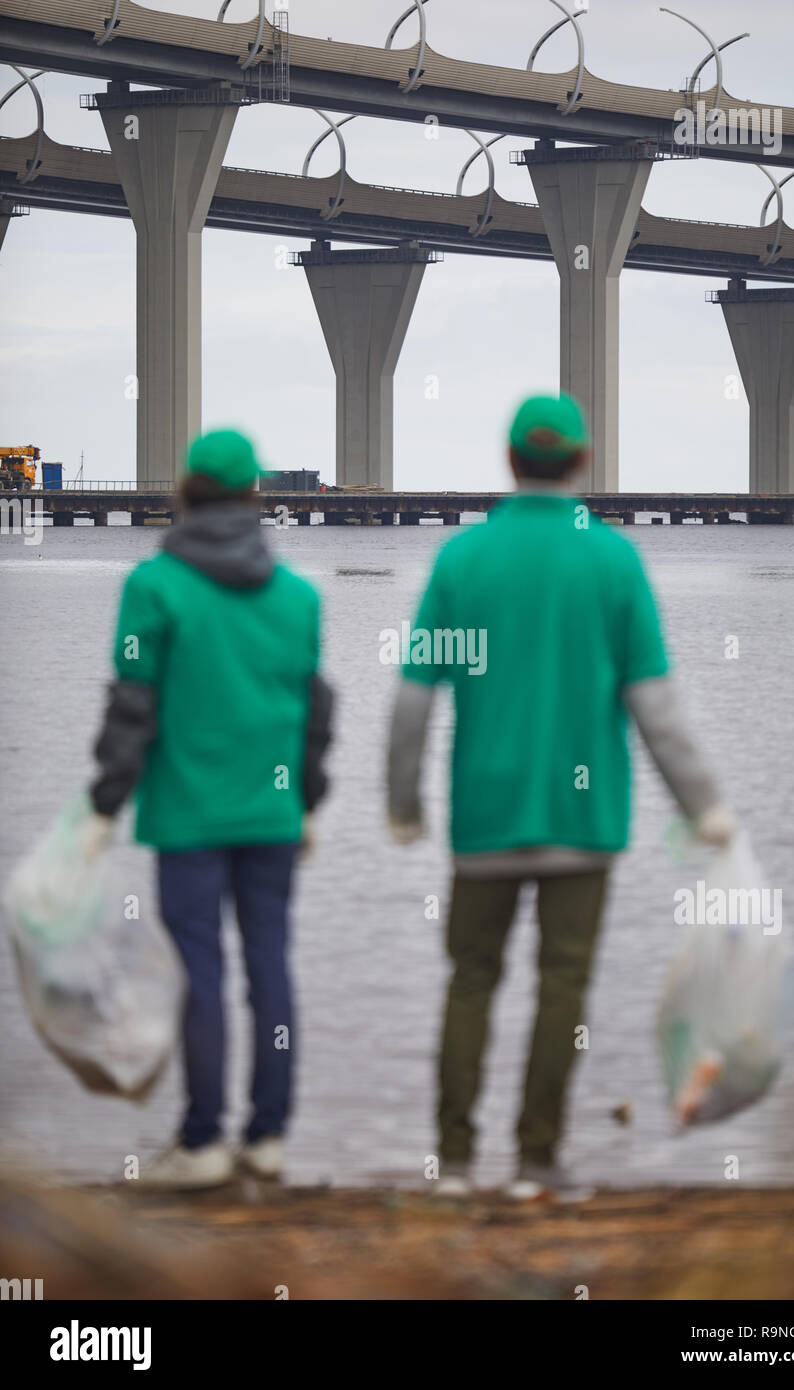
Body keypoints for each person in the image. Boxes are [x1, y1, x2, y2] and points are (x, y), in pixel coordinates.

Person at [387, 393, 735, 1199]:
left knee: (470, 981)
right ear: (580, 461)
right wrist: (704, 808)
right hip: (584, 822)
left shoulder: (461, 561)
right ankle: (536, 1161)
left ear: (509, 463)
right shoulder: (613, 561)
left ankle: (456, 1163)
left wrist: (404, 804)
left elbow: (412, 702)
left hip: (483, 817)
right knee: (562, 985)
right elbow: (659, 712)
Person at [86, 429, 333, 1189]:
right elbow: (315, 709)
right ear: (257, 498)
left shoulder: (153, 587)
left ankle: (200, 1143)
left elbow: (134, 703)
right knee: (270, 968)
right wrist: (312, 801)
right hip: (272, 812)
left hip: (186, 818)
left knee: (200, 971)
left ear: (186, 493)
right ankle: (267, 1138)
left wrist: (105, 803)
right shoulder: (297, 596)